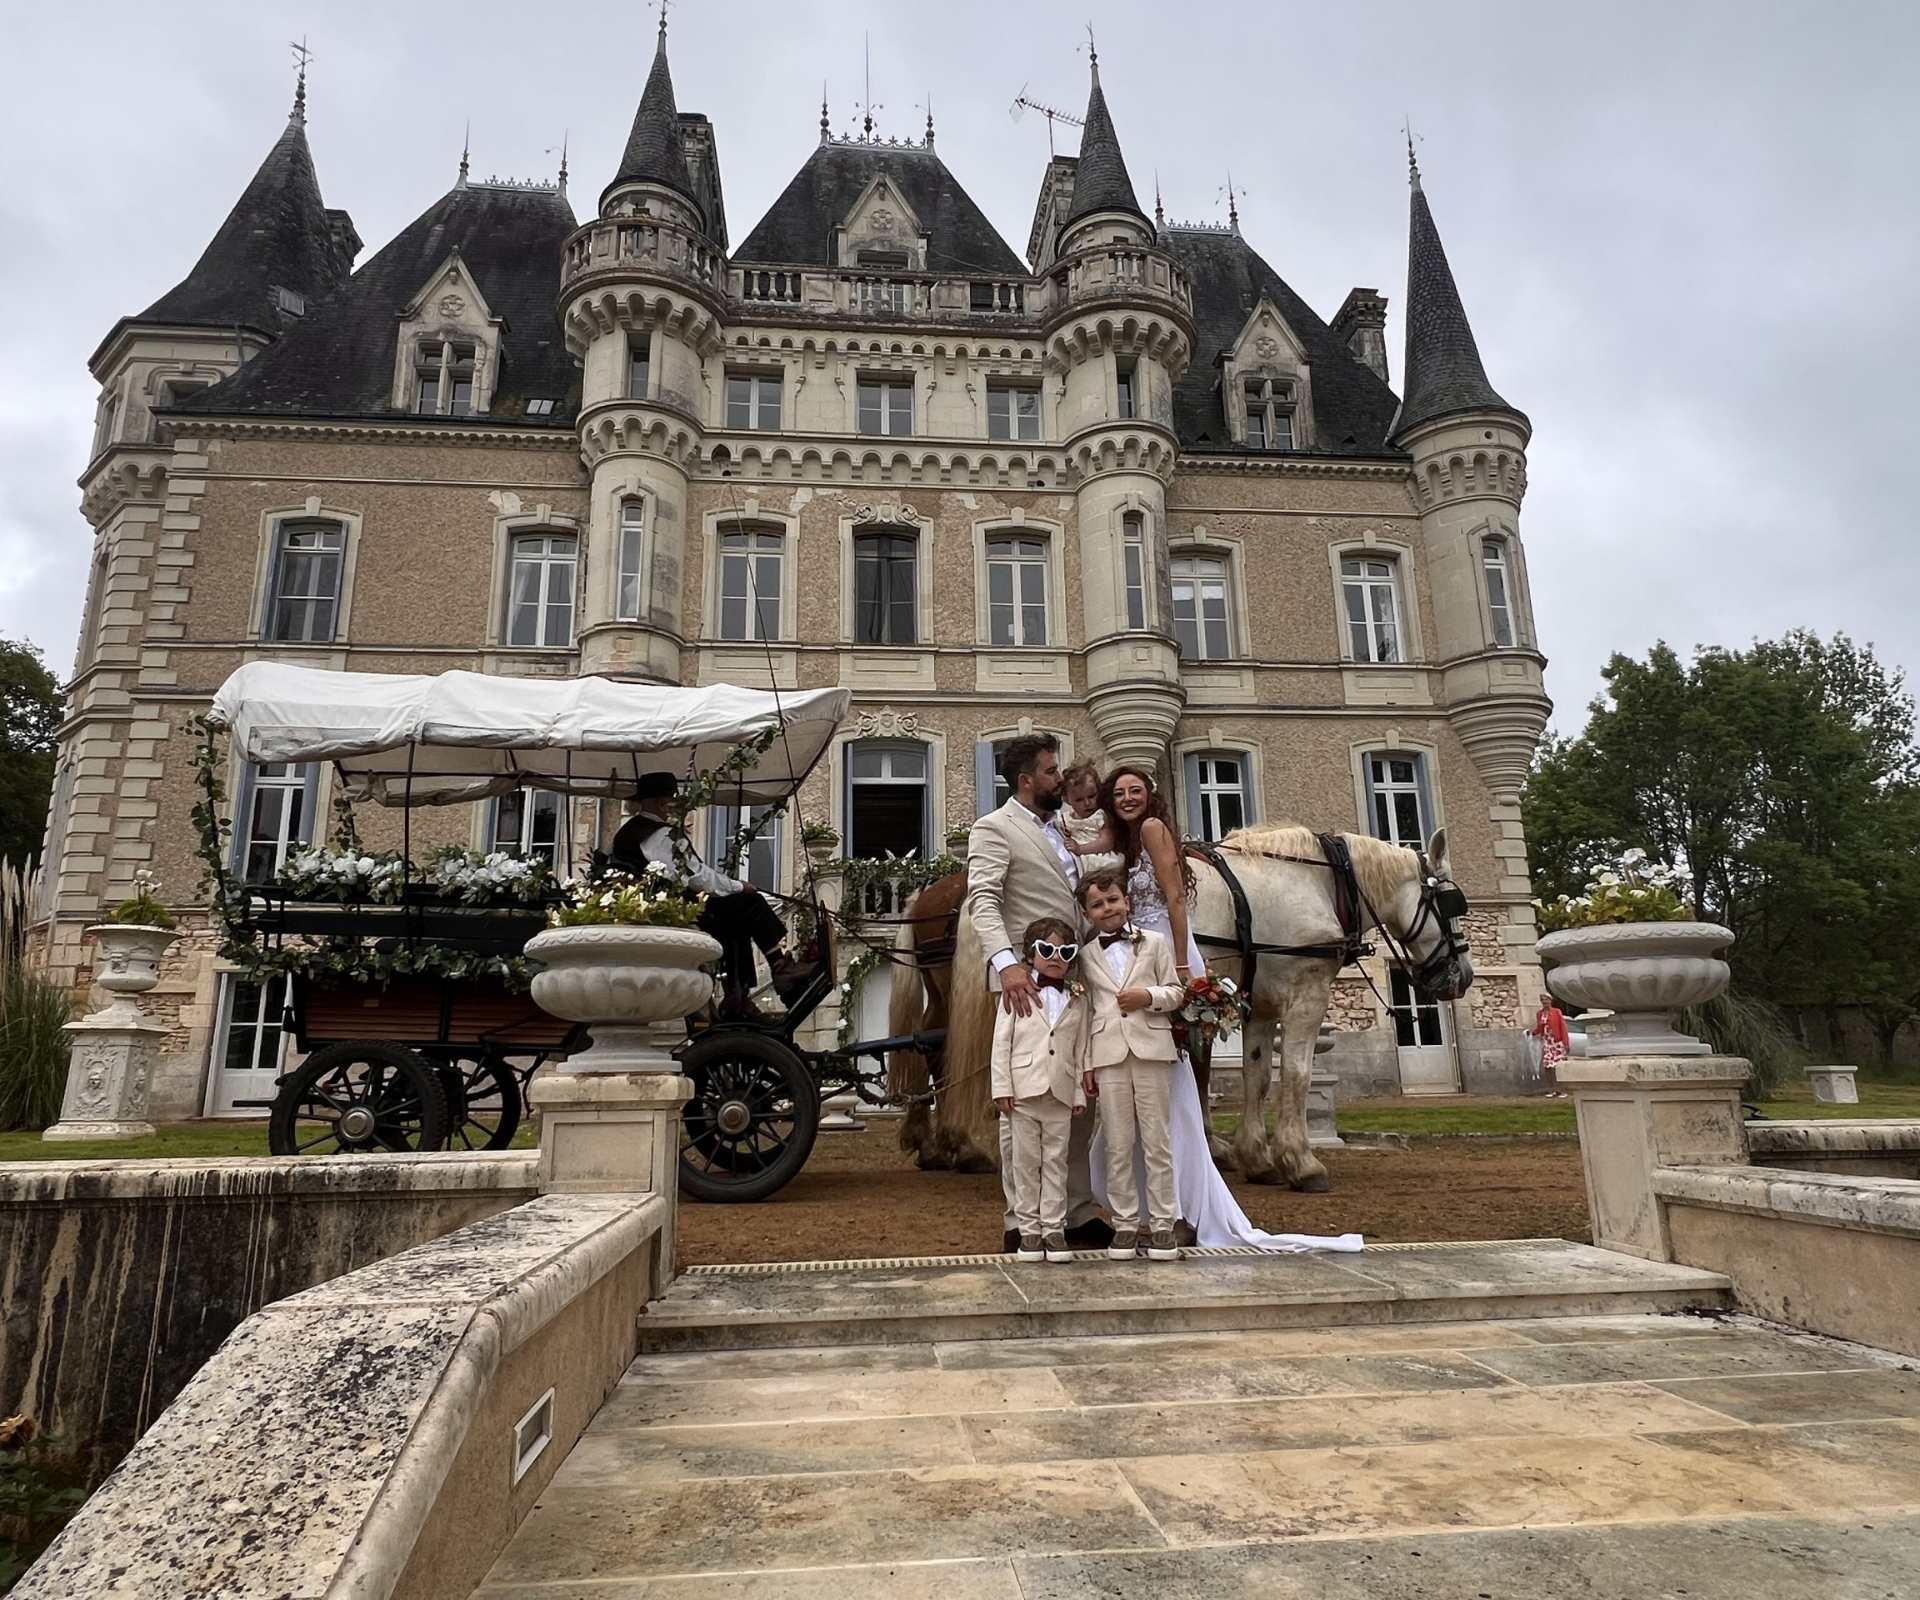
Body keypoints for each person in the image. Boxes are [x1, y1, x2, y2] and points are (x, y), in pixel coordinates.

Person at [1094, 763, 1363, 1255]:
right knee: (1159, 1080)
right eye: (1119, 793)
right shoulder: (1131, 840)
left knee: (1169, 1084)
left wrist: (1179, 964)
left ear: (1150, 797)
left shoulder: (1152, 830)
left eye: (1135, 791)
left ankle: (1183, 1204)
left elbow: (1176, 900)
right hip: (1142, 950)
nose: (1126, 799)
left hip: (1164, 953)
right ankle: (1161, 1201)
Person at [964, 733, 1110, 1250]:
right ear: (1028, 780)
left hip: (1073, 984)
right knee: (1022, 1107)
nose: (1060, 778)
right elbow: (983, 900)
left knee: (1073, 1097)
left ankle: (1073, 1210)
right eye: (1052, 771)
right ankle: (1019, 1221)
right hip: (1024, 986)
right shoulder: (993, 828)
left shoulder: (1062, 829)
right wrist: (1007, 966)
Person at [608, 772, 799, 1017]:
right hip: (676, 907)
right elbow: (696, 877)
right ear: (661, 803)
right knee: (749, 902)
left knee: (736, 915)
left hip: (663, 903)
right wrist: (739, 885)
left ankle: (738, 993)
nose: (673, 809)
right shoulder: (659, 834)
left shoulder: (633, 831)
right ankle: (777, 967)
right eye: (671, 802)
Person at [1077, 869, 1187, 1261]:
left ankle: (1162, 1223)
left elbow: (1176, 992)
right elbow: (1086, 1013)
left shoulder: (1155, 943)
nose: (1107, 909)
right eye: (1097, 904)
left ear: (1126, 902)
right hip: (1107, 1055)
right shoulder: (1086, 956)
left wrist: (1148, 996)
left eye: (1113, 901)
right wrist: (1087, 1065)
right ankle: (1124, 1223)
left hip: (1152, 1050)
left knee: (1157, 1141)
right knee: (1117, 1144)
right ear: (1088, 913)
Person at [991, 916, 1090, 1264]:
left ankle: (1054, 1230)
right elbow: (1000, 1044)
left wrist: (1078, 1093)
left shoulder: (1078, 998)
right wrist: (1001, 1087)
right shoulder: (1015, 992)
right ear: (1030, 955)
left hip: (1060, 1094)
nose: (1055, 957)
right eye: (1046, 949)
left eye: (1065, 951)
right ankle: (1029, 1232)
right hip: (1023, 1092)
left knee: (1056, 1164)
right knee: (1024, 1163)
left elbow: (1079, 1051)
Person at [1051, 761, 1123, 877]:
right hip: (1078, 863)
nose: (1087, 803)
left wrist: (1080, 849)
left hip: (1099, 857)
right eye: (1079, 800)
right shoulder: (1065, 819)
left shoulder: (1101, 815)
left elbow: (1107, 842)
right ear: (1067, 799)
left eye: (1091, 796)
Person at [1531, 998, 1571, 1097]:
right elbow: (1540, 1028)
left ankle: (1562, 1090)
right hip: (1547, 1043)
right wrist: (1532, 1032)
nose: (1545, 1003)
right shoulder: (1540, 1014)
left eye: (1547, 1001)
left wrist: (1566, 1042)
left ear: (1550, 1001)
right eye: (1543, 1001)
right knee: (1548, 1067)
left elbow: (1563, 1027)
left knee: (1558, 1067)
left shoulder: (1557, 1012)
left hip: (1556, 1043)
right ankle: (1552, 1089)